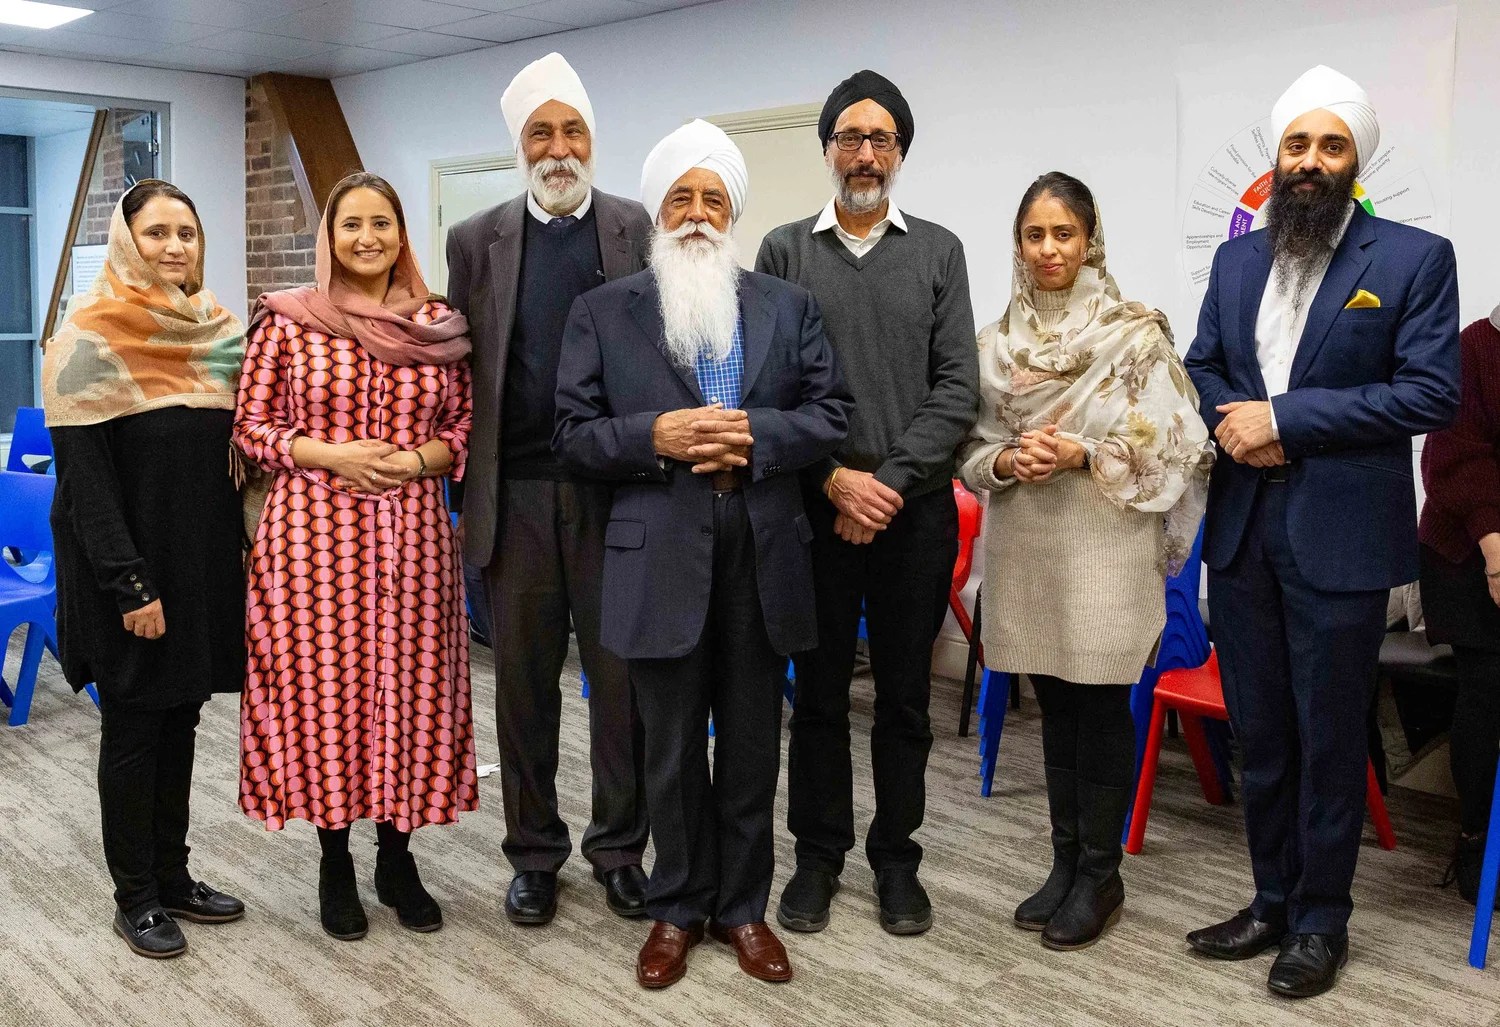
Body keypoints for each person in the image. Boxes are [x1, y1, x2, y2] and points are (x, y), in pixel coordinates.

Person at [554, 120, 851, 989]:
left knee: (753, 739)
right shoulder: (605, 312)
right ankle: (678, 906)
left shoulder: (787, 306)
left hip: (762, 544)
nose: (695, 213)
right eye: (680, 198)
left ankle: (743, 907)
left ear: (732, 213)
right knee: (673, 743)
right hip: (659, 550)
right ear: (658, 211)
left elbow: (830, 415)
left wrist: (753, 434)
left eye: (712, 199)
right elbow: (571, 434)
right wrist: (659, 435)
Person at [1183, 66, 1460, 998]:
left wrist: (1286, 421)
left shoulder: (1414, 259)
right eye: (1296, 144)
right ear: (1277, 159)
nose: (1310, 160)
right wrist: (1236, 422)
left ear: (1355, 161)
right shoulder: (1237, 262)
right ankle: (1270, 899)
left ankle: (1320, 920)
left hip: (1340, 537)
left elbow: (1430, 393)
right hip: (1244, 530)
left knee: (1331, 737)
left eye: (1330, 145)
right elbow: (1202, 365)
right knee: (1262, 733)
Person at [957, 172, 1213, 950]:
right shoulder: (993, 346)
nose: (1049, 249)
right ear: (1018, 244)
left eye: (1063, 233)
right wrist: (1007, 461)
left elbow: (1181, 442)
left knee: (1098, 707)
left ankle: (1102, 875)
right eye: (1034, 234)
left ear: (1090, 240)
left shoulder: (1134, 337)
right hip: (1028, 542)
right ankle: (1065, 862)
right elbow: (967, 448)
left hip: (1107, 540)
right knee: (1055, 705)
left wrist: (1083, 451)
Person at [756, 70, 978, 936]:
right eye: (850, 136)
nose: (865, 153)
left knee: (904, 699)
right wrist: (830, 477)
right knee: (815, 695)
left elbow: (956, 387)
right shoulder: (784, 251)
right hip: (813, 512)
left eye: (882, 138)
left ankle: (896, 859)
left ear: (900, 154)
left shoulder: (939, 252)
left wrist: (881, 482)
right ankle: (817, 857)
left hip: (911, 512)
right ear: (827, 150)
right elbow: (771, 387)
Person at [236, 172, 476, 941]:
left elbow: (464, 429)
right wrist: (332, 454)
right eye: (351, 224)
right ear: (329, 238)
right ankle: (334, 859)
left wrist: (412, 461)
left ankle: (396, 858)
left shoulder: (439, 325)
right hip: (312, 539)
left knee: (410, 691)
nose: (367, 237)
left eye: (381, 223)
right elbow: (251, 428)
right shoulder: (288, 322)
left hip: (414, 539)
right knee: (324, 695)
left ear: (402, 234)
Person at [445, 51, 653, 925]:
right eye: (541, 133)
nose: (558, 148)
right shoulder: (475, 240)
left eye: (572, 131)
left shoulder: (635, 226)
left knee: (621, 685)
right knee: (524, 689)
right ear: (519, 146)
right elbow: (458, 369)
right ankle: (533, 853)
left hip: (616, 496)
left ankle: (619, 849)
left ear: (591, 140)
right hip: (517, 496)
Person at [42, 180, 248, 959]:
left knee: (182, 717)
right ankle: (135, 896)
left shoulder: (219, 333)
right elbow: (85, 486)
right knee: (134, 727)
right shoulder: (87, 339)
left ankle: (173, 873)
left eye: (186, 233)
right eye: (156, 232)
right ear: (127, 243)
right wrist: (130, 584)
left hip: (199, 566)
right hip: (127, 573)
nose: (174, 246)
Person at [1419, 303, 1500, 904]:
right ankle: (1475, 840)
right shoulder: (1474, 348)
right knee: (1489, 691)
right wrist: (1497, 557)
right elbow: (1458, 462)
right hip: (1472, 551)